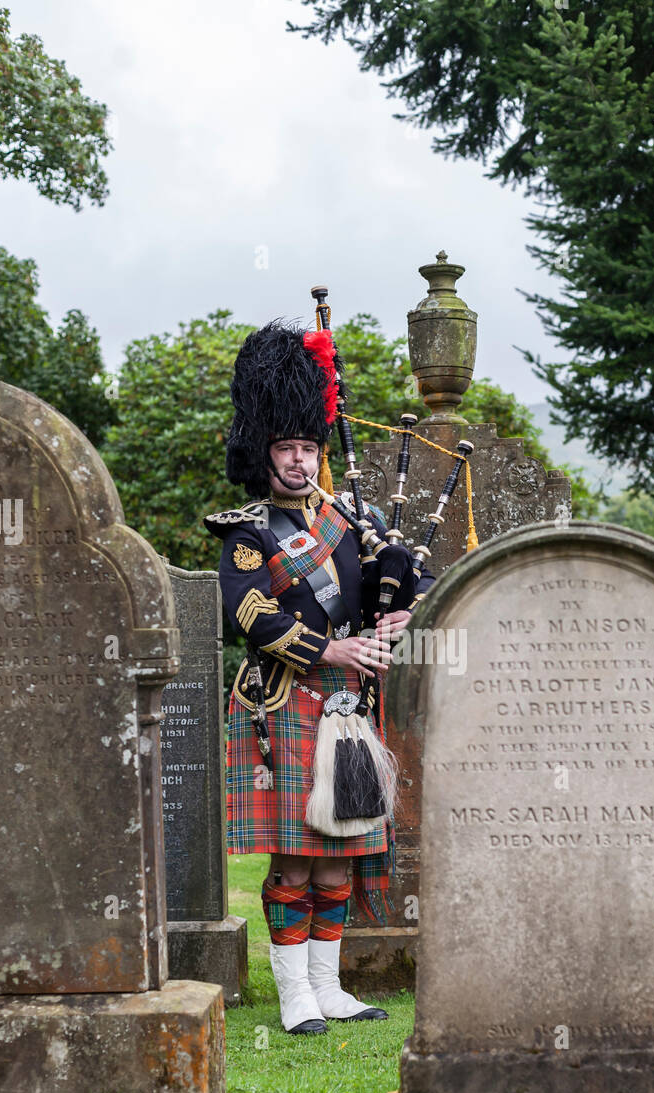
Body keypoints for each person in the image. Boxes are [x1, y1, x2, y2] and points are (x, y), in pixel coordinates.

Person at [205, 320, 435, 1034]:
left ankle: (329, 987)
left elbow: (399, 583)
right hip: (284, 706)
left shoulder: (352, 519)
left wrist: (402, 615)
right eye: (287, 448)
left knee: (340, 859)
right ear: (263, 453)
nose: (300, 461)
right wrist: (331, 651)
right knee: (296, 863)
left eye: (308, 447)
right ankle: (294, 995)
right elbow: (251, 613)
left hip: (350, 709)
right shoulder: (248, 534)